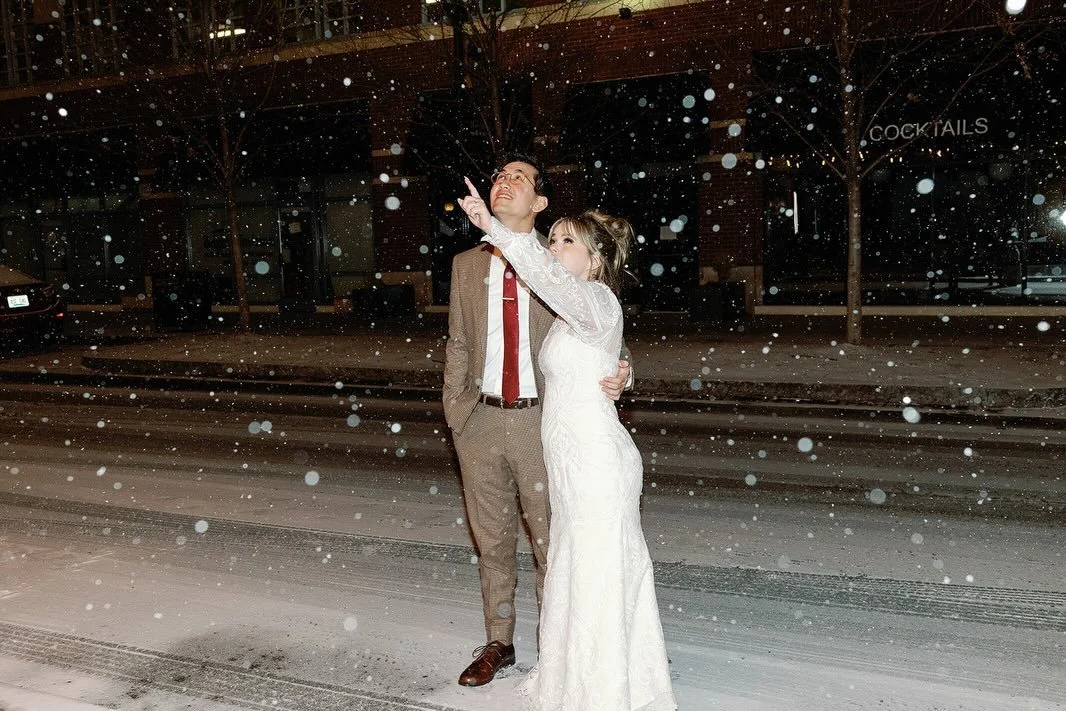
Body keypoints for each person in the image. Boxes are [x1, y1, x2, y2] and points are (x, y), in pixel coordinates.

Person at [458, 181, 676, 710]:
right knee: (577, 569)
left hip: (595, 461)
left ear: (595, 260)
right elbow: (599, 348)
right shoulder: (575, 307)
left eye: (564, 241)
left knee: (593, 572)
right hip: (569, 459)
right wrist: (618, 368)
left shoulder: (589, 297)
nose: (553, 249)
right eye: (551, 239)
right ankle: (580, 678)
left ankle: (604, 693)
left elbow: (560, 287)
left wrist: (497, 231)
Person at [443, 155, 632, 688]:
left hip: (540, 424)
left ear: (540, 203)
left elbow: (601, 327)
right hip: (480, 419)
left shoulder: (558, 263)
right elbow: (459, 343)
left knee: (555, 544)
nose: (504, 182)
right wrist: (457, 412)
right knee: (493, 541)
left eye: (518, 178)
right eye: (500, 175)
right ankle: (498, 642)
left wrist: (624, 373)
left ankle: (558, 649)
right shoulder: (466, 265)